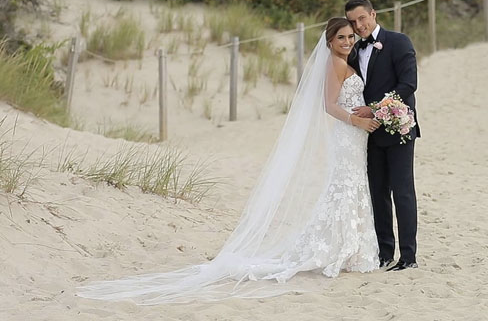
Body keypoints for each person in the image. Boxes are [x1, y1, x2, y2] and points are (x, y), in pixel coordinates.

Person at [77, 18, 381, 304]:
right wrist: (356, 122)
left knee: (350, 185)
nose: (347, 41)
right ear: (328, 41)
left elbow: (348, 100)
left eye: (350, 37)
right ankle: (339, 249)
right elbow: (329, 106)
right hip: (347, 133)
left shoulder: (345, 61)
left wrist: (368, 113)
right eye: (340, 37)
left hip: (355, 134)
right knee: (344, 185)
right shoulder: (335, 64)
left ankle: (348, 248)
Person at [345, 0, 420, 272]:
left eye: (362, 18)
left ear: (373, 14)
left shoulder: (399, 42)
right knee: (378, 193)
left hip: (399, 129)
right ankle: (384, 254)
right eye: (353, 22)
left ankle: (409, 257)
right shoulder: (353, 50)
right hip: (369, 134)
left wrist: (374, 109)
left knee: (403, 193)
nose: (359, 25)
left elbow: (409, 84)